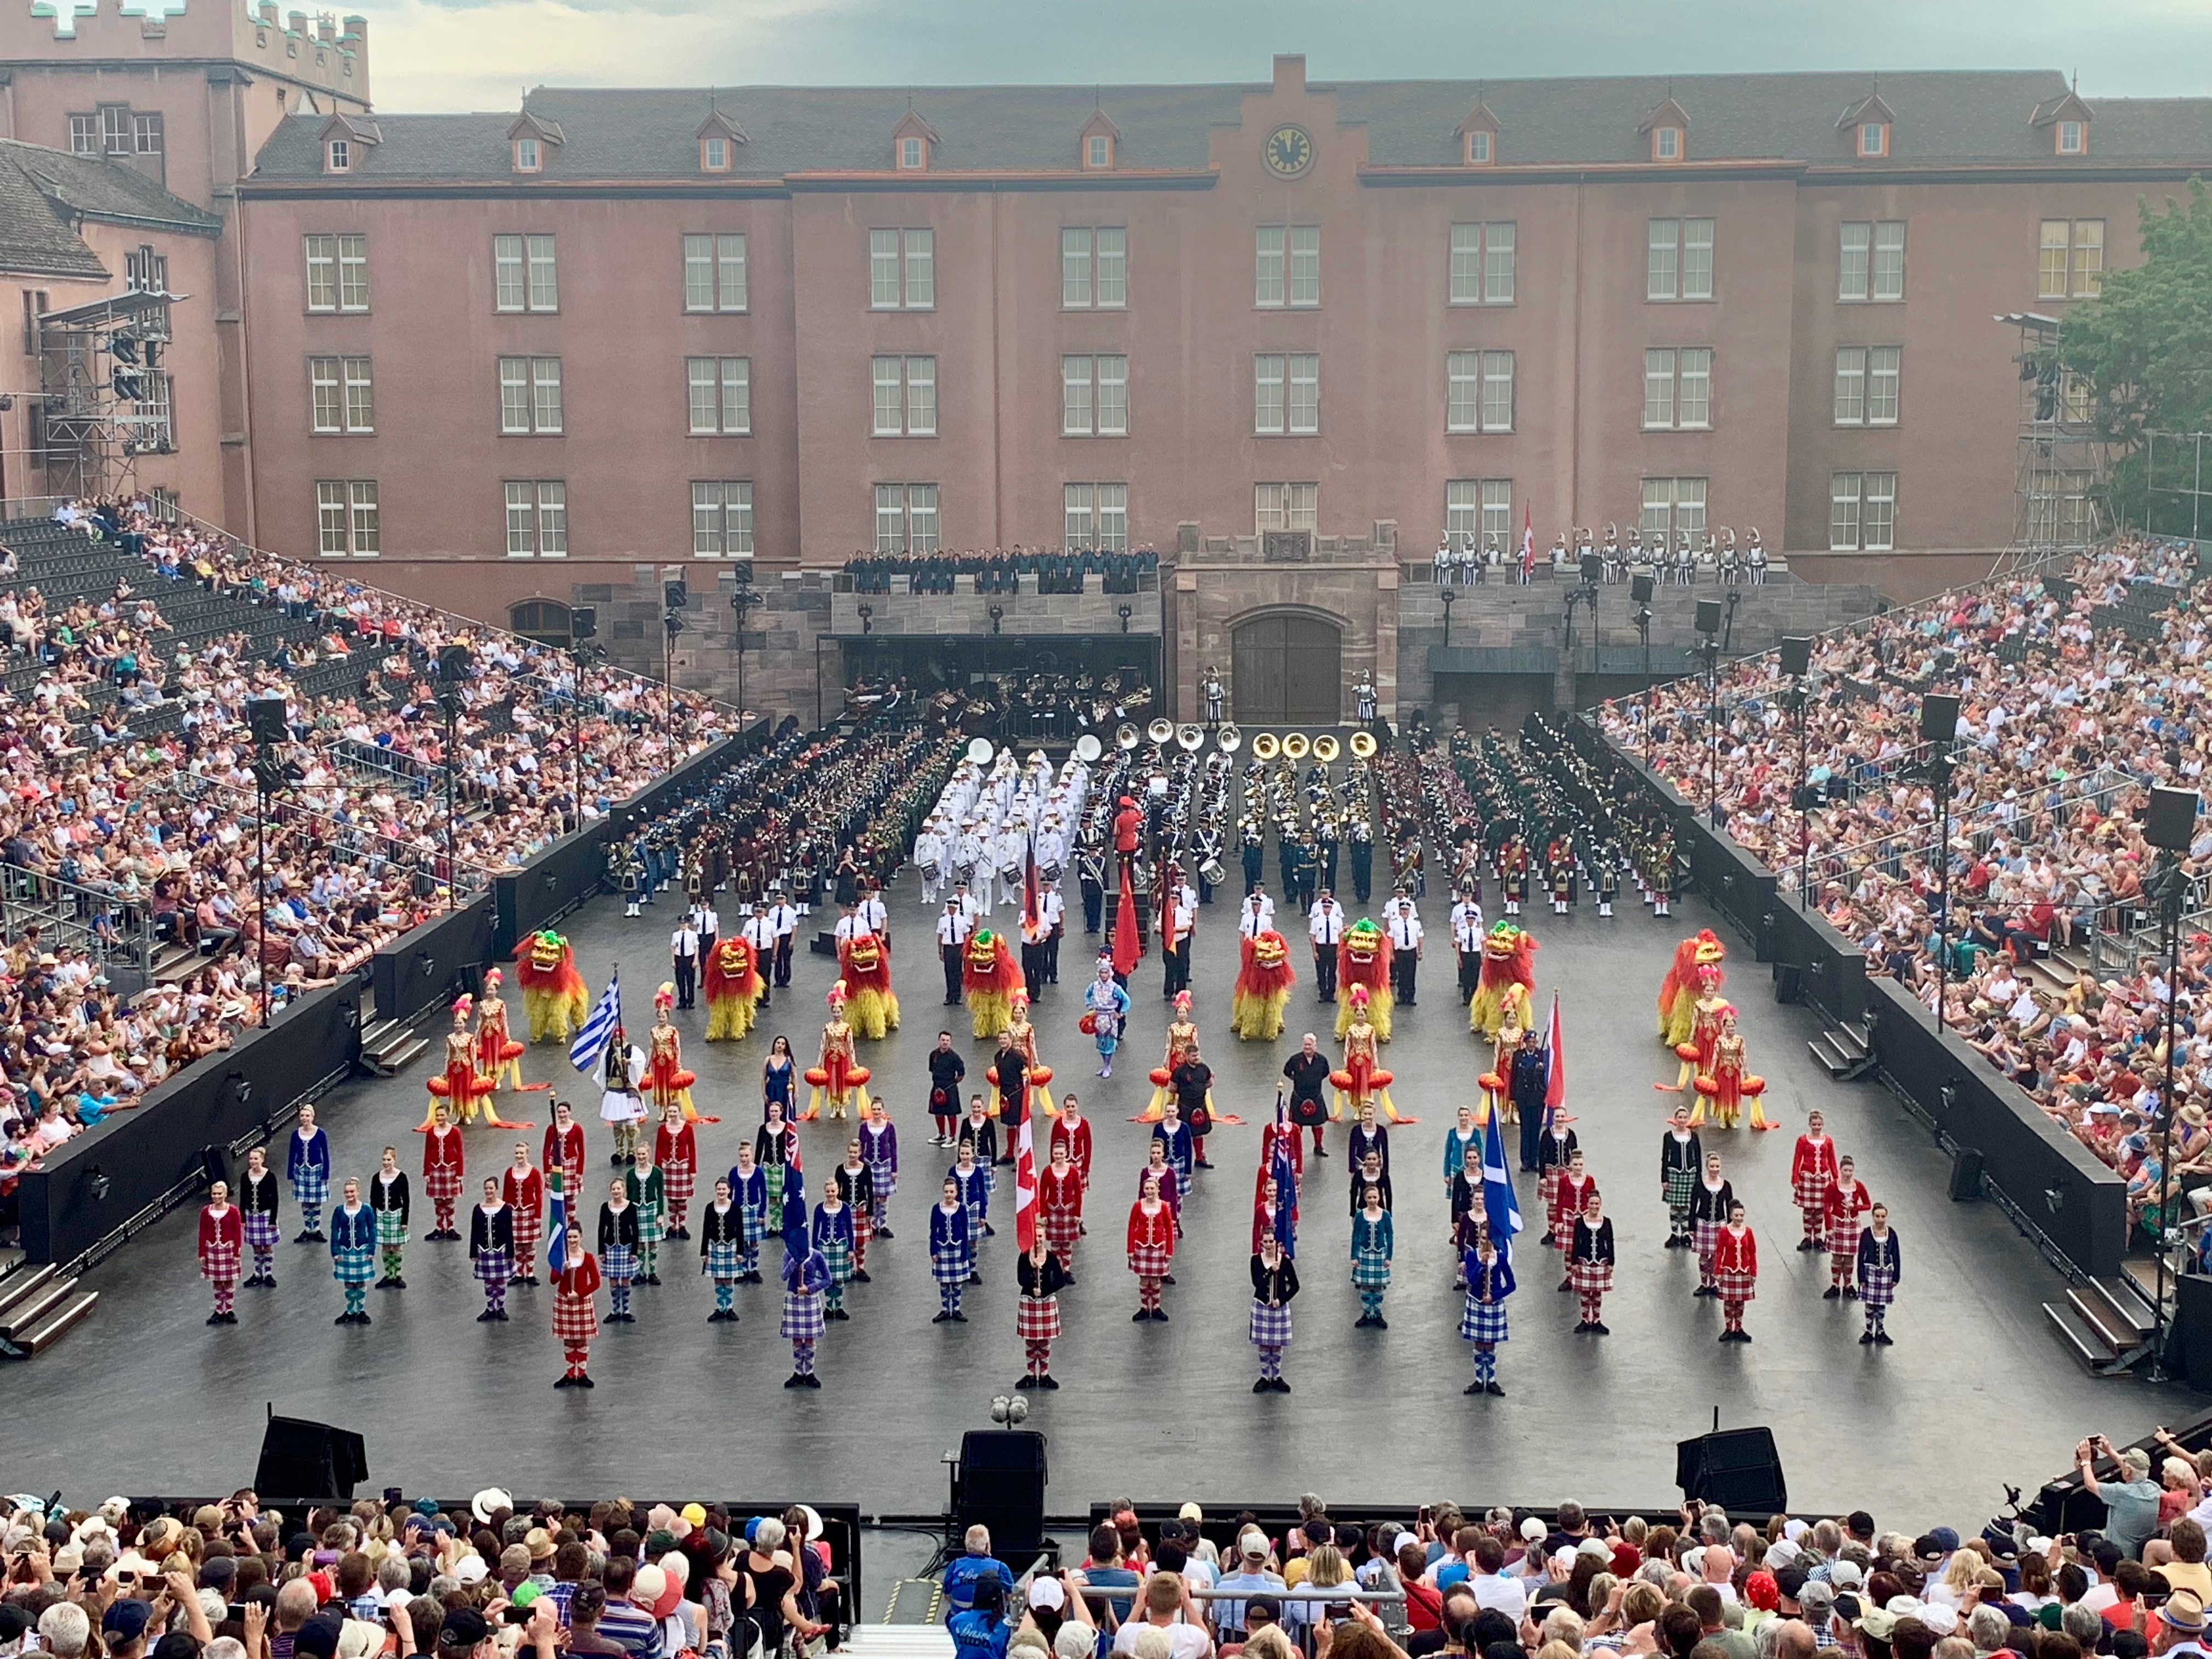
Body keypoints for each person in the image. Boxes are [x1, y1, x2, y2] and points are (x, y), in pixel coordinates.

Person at [1017, 1229, 1071, 1389]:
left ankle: (1045, 1374)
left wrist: (1045, 1291)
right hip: (1029, 1301)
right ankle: (1030, 1374)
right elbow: (1021, 1280)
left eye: (1040, 1236)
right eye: (1035, 1236)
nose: (1038, 1239)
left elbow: (1060, 1281)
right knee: (1031, 1340)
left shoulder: (1052, 1258)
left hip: (1047, 1302)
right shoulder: (1024, 1257)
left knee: (1045, 1340)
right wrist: (1031, 1267)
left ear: (1045, 1237)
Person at [1462, 1231, 1514, 1396]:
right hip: (1476, 1303)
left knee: (1491, 1344)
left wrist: (1495, 1296)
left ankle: (1491, 1380)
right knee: (1478, 1342)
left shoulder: (1501, 1258)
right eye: (1483, 1238)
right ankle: (1479, 1380)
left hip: (1494, 1305)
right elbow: (1471, 1280)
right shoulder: (1472, 1256)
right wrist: (1481, 1264)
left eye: (1489, 1239)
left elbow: (1512, 1285)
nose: (1486, 1242)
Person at [781, 1224, 832, 1387]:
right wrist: (794, 1262)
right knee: (797, 1338)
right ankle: (798, 1372)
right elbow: (784, 1276)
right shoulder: (788, 1254)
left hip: (810, 1300)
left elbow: (828, 1280)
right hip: (794, 1299)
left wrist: (810, 1289)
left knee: (810, 1338)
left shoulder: (816, 1255)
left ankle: (809, 1372)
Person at [552, 1221, 601, 1387]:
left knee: (581, 1340)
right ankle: (570, 1374)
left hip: (582, 1302)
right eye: (569, 1237)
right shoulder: (561, 1257)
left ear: (581, 1237)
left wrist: (579, 1294)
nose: (572, 1240)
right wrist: (562, 1270)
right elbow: (553, 1280)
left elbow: (596, 1283)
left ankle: (581, 1373)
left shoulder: (588, 1258)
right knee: (568, 1340)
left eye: (575, 1237)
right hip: (564, 1302)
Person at [1250, 1232, 1300, 1392]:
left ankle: (1276, 1376)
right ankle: (1265, 1377)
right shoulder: (1256, 1261)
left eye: (1271, 1241)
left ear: (1277, 1243)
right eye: (1266, 1242)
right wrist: (1271, 1271)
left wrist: (1282, 1300)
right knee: (1264, 1343)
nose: (1269, 1245)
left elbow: (1295, 1286)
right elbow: (1257, 1283)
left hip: (1279, 1308)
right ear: (1261, 1244)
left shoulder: (1285, 1262)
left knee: (1277, 1344)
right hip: (1261, 1305)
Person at [1128, 1169, 1175, 1321]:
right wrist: (1130, 1249)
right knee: (1144, 1280)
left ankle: (1155, 1307)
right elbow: (1132, 1227)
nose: (1150, 1191)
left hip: (1158, 1247)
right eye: (1147, 1188)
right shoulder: (1138, 1206)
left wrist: (1169, 1251)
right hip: (1141, 1247)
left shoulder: (1164, 1206)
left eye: (1152, 1188)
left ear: (1157, 1190)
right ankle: (1144, 1307)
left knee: (1155, 1280)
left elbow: (1169, 1229)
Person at [329, 1177, 375, 1324]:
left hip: (362, 1250)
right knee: (348, 1282)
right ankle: (350, 1311)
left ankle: (360, 1310)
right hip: (345, 1250)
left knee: (361, 1281)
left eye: (352, 1192)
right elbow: (334, 1231)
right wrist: (335, 1251)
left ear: (358, 1192)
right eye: (347, 1192)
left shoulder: (366, 1209)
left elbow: (372, 1230)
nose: (349, 1195)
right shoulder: (339, 1211)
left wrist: (371, 1249)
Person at [1568, 1192, 1615, 1335]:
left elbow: (1610, 1243)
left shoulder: (1606, 1222)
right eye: (1592, 1203)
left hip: (1601, 1262)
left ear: (1600, 1205)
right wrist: (1574, 1262)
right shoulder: (1580, 1222)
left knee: (1597, 1293)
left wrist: (1611, 1262)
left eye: (1597, 1204)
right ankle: (1585, 1320)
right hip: (1584, 1261)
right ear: (1587, 1205)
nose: (1594, 1206)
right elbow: (1576, 1242)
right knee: (1585, 1293)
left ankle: (1596, 1320)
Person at [1854, 1202, 1901, 1344]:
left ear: (1886, 1217)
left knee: (1881, 1304)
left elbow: (1896, 1256)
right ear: (1873, 1217)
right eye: (1877, 1216)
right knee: (1870, 1303)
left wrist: (1896, 1276)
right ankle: (1869, 1331)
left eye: (1883, 1216)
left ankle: (1880, 1331)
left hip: (1886, 1273)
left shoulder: (1891, 1234)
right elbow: (1861, 1255)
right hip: (1870, 1272)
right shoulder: (1866, 1234)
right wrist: (1861, 1277)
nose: (1880, 1219)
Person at [199, 1178, 244, 1324]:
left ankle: (229, 1309)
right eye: (214, 1194)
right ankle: (219, 1310)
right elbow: (203, 1232)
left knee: (229, 1280)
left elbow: (237, 1233)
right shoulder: (206, 1212)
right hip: (212, 1250)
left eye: (219, 1194)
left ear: (225, 1194)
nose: (216, 1196)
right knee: (217, 1281)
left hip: (228, 1249)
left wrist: (237, 1253)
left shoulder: (233, 1211)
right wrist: (202, 1253)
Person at [831, 1139, 878, 1279]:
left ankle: (861, 1268)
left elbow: (870, 1191)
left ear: (860, 1153)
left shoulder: (866, 1169)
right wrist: (836, 1209)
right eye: (851, 1152)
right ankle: (850, 1269)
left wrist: (870, 1211)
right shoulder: (841, 1169)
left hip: (860, 1209)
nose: (852, 1155)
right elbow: (837, 1191)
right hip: (845, 1209)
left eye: (855, 1153)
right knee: (847, 1240)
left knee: (861, 1242)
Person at [811, 1176, 856, 1321]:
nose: (831, 1194)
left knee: (839, 1279)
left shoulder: (845, 1208)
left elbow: (850, 1230)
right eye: (828, 1192)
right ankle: (829, 1308)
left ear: (838, 1191)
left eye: (833, 1191)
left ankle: (839, 1307)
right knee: (827, 1278)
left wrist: (851, 1249)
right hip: (824, 1247)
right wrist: (814, 1251)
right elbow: (815, 1231)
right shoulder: (820, 1208)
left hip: (841, 1247)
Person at [470, 1176, 515, 1322]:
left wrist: (510, 1252)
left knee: (500, 1281)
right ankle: (490, 1308)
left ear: (497, 1189)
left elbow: (509, 1231)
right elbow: (474, 1231)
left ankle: (500, 1308)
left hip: (501, 1250)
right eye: (486, 1188)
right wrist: (473, 1252)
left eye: (491, 1188)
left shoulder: (505, 1208)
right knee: (488, 1282)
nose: (488, 1191)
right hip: (484, 1250)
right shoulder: (478, 1209)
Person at [931, 1176, 975, 1322]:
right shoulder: (937, 1209)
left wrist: (965, 1252)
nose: (949, 1195)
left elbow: (965, 1231)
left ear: (956, 1193)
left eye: (951, 1192)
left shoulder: (961, 1209)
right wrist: (933, 1251)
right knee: (944, 1282)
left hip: (957, 1248)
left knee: (957, 1282)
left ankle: (956, 1309)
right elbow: (933, 1231)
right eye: (946, 1192)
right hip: (942, 1248)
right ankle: (945, 1309)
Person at [701, 1176, 744, 1322]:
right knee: (718, 1278)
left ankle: (729, 1308)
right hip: (714, 1247)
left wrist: (740, 1252)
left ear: (729, 1190)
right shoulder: (710, 1207)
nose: (721, 1192)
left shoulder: (735, 1208)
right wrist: (704, 1252)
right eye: (719, 1189)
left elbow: (740, 1230)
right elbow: (706, 1229)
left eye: (724, 1189)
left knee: (729, 1278)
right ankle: (720, 1308)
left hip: (731, 1247)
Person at [1714, 1199, 1758, 1342]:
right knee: (1729, 1301)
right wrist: (1718, 1271)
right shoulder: (1724, 1231)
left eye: (1741, 1216)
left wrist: (1753, 1272)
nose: (1739, 1218)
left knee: (1740, 1302)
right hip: (1729, 1271)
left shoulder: (1748, 1232)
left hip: (1744, 1271)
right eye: (1737, 1215)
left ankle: (1738, 1328)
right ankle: (1729, 1328)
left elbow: (1752, 1253)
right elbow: (1719, 1252)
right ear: (1731, 1216)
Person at [1660, 1103, 1702, 1252]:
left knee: (1685, 1205)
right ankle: (1674, 1234)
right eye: (1680, 1118)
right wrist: (1664, 1178)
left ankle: (1684, 1234)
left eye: (1685, 1118)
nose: (1682, 1120)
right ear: (1675, 1119)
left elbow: (1698, 1157)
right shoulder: (1669, 1136)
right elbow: (1665, 1157)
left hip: (1690, 1174)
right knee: (1674, 1205)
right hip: (1674, 1173)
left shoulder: (1693, 1136)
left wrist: (1698, 1178)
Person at [1690, 1153, 1733, 1299]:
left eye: (1717, 1166)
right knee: (1703, 1257)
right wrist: (1691, 1227)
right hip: (1703, 1223)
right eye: (1712, 1166)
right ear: (1707, 1167)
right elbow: (1693, 1205)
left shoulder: (1726, 1185)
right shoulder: (1699, 1184)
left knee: (1716, 1256)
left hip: (1719, 1224)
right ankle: (1704, 1283)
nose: (1715, 1169)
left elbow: (1729, 1207)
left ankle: (1714, 1284)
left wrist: (1731, 1227)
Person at [1351, 1182, 1394, 1327]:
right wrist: (1354, 1256)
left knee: (1378, 1287)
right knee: (1365, 1286)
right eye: (1370, 1197)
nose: (1373, 1200)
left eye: (1375, 1197)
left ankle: (1377, 1313)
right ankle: (1366, 1313)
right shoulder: (1360, 1215)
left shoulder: (1385, 1215)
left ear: (1379, 1198)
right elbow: (1356, 1236)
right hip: (1364, 1254)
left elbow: (1390, 1236)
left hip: (1380, 1255)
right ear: (1365, 1199)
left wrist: (1389, 1257)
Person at [599, 1176, 640, 1323]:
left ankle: (626, 1310)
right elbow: (601, 1229)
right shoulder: (605, 1207)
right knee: (614, 1279)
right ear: (611, 1191)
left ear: (624, 1191)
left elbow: (635, 1229)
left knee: (626, 1279)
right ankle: (616, 1310)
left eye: (619, 1189)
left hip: (626, 1248)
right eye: (614, 1189)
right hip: (610, 1248)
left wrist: (634, 1251)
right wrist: (601, 1251)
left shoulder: (631, 1207)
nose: (616, 1191)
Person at [503, 1142, 545, 1284]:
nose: (519, 1156)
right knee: (518, 1245)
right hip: (514, 1213)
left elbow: (539, 1195)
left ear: (527, 1154)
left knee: (529, 1245)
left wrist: (538, 1215)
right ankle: (520, 1273)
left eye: (522, 1153)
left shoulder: (534, 1173)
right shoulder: (509, 1172)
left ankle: (531, 1273)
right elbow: (506, 1195)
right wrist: (505, 1215)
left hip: (529, 1212)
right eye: (517, 1153)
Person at [287, 1101, 331, 1242]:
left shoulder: (320, 1134)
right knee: (305, 1201)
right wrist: (290, 1173)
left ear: (313, 1117)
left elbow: (325, 1154)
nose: (305, 1118)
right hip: (301, 1171)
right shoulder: (296, 1134)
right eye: (302, 1116)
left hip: (316, 1170)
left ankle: (316, 1228)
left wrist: (326, 1172)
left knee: (316, 1202)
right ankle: (308, 1228)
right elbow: (292, 1154)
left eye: (307, 1116)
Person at [1283, 1032, 1331, 1157]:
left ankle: (1318, 1147)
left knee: (1318, 1124)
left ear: (1315, 1046)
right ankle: (1295, 1149)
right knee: (1297, 1125)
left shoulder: (1322, 1060)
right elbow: (1287, 1071)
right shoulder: (1295, 1059)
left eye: (1310, 1045)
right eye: (1305, 1045)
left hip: (1316, 1096)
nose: (1307, 1047)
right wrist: (1298, 1079)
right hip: (1299, 1096)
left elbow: (1325, 1073)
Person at [1041, 1138, 1085, 1276]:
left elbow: (1078, 1193)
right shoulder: (1047, 1171)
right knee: (1055, 1245)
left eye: (1061, 1154)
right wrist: (1043, 1213)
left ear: (1066, 1153)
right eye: (1056, 1154)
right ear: (1052, 1154)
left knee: (1067, 1244)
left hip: (1068, 1210)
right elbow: (1042, 1193)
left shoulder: (1073, 1171)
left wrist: (1078, 1213)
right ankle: (1057, 1270)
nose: (1059, 1157)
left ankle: (1066, 1270)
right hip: (1052, 1210)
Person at [370, 1144, 411, 1289]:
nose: (386, 1162)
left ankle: (397, 1275)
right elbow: (373, 1199)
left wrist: (404, 1221)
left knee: (397, 1246)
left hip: (397, 1215)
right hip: (382, 1215)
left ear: (394, 1160)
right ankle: (389, 1275)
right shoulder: (376, 1178)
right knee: (386, 1246)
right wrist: (373, 1219)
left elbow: (406, 1200)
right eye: (384, 1160)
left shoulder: (402, 1177)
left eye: (389, 1160)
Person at [239, 1143, 280, 1286]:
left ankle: (268, 1273)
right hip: (251, 1216)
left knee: (267, 1246)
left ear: (262, 1160)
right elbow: (243, 1198)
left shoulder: (270, 1176)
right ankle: (258, 1274)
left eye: (256, 1159)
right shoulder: (245, 1177)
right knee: (256, 1247)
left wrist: (273, 1220)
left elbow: (275, 1198)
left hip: (266, 1215)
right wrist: (242, 1217)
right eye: (251, 1159)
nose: (253, 1161)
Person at [729, 1142, 770, 1282]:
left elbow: (764, 1193)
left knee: (753, 1242)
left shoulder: (758, 1172)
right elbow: (730, 1194)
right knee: (742, 1242)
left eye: (746, 1156)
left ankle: (754, 1269)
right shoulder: (734, 1172)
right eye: (742, 1156)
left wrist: (762, 1214)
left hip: (754, 1210)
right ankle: (744, 1270)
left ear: (751, 1155)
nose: (744, 1159)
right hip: (739, 1211)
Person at [656, 1104, 699, 1239]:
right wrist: (658, 1168)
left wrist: (692, 1169)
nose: (672, 1114)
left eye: (675, 1111)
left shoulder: (687, 1128)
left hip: (682, 1166)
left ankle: (682, 1225)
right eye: (670, 1111)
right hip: (668, 1166)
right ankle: (672, 1226)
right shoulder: (662, 1129)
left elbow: (692, 1149)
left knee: (682, 1199)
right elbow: (659, 1148)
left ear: (680, 1112)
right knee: (671, 1198)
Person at [1084, 958, 1131, 1079]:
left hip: (1110, 1018)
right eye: (1102, 973)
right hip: (1099, 1017)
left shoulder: (1115, 987)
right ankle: (1104, 1064)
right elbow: (1087, 994)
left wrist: (1121, 1013)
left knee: (1110, 1043)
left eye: (1106, 973)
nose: (1104, 975)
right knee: (1101, 1043)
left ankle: (1108, 1065)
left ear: (1110, 973)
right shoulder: (1094, 986)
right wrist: (1090, 1006)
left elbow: (1126, 1000)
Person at [423, 1104, 464, 1239]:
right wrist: (426, 1172)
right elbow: (428, 1152)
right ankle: (440, 1227)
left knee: (450, 1199)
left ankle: (451, 1227)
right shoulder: (431, 1132)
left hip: (450, 1168)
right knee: (438, 1200)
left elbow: (460, 1152)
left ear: (448, 1115)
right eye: (438, 1115)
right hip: (435, 1168)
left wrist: (460, 1173)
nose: (440, 1118)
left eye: (442, 1115)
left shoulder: (455, 1131)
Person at [860, 1097, 899, 1239]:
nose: (876, 1112)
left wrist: (894, 1170)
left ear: (883, 1110)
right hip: (869, 1164)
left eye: (879, 1109)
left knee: (883, 1197)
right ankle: (873, 1225)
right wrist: (861, 1167)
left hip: (885, 1165)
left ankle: (882, 1225)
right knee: (871, 1196)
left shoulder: (889, 1127)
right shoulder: (865, 1126)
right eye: (874, 1110)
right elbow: (861, 1147)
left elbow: (893, 1148)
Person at [929, 1029, 968, 1144]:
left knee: (951, 1113)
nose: (945, 1042)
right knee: (938, 1112)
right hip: (937, 1086)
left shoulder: (955, 1057)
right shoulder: (934, 1055)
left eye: (947, 1040)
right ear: (939, 1041)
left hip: (950, 1087)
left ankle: (952, 1137)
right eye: (943, 1040)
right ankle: (941, 1135)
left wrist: (952, 1083)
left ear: (950, 1042)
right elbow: (932, 1069)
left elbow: (961, 1074)